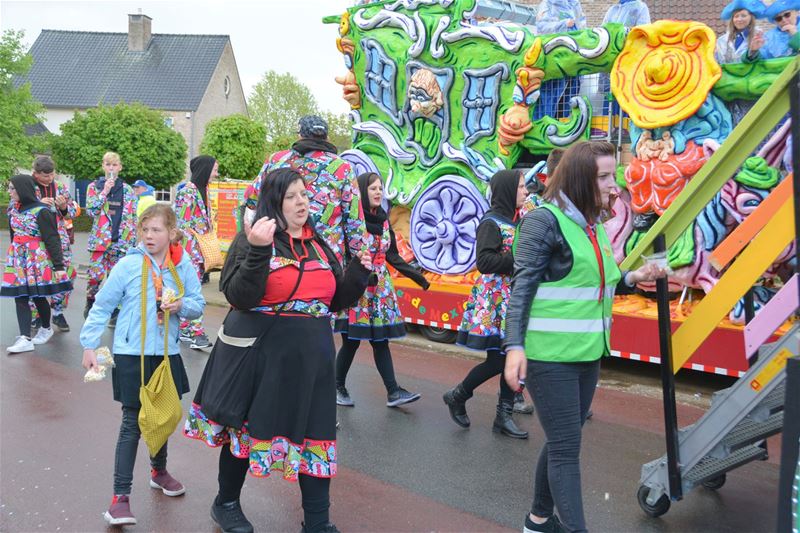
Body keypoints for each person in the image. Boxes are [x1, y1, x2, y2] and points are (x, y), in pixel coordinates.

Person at [184, 168, 371, 533]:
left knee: (317, 437)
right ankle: (226, 504)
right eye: (292, 196)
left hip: (312, 363)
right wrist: (257, 250)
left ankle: (318, 522)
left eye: (304, 194)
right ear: (274, 201)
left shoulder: (319, 242)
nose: (302, 201)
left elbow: (332, 302)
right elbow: (238, 295)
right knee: (245, 432)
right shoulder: (253, 238)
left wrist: (358, 275)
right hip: (261, 357)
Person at [503, 141, 664, 533]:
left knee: (563, 438)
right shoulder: (545, 221)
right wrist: (514, 346)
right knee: (565, 448)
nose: (615, 185)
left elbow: (597, 281)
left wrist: (632, 278)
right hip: (549, 355)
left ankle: (539, 520)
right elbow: (521, 287)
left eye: (614, 175)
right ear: (579, 179)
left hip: (586, 353)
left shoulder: (590, 225)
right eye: (605, 177)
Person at [80, 204, 204, 526]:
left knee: (161, 414)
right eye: (144, 230)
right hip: (130, 353)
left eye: (156, 230)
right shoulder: (128, 265)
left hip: (166, 353)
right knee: (132, 422)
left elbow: (197, 305)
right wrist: (89, 345)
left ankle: (158, 471)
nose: (149, 236)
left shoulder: (183, 264)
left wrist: (179, 305)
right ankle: (120, 498)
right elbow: (102, 305)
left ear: (172, 233)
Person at [443, 170, 530, 439]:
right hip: (495, 301)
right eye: (521, 187)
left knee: (506, 359)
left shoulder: (518, 221)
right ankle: (459, 395)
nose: (526, 192)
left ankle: (501, 416)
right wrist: (518, 258)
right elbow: (484, 262)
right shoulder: (491, 222)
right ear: (506, 190)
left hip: (513, 298)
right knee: (499, 361)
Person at [334, 172, 429, 409]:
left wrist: (417, 276)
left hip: (380, 289)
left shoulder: (384, 220)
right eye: (373, 188)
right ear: (362, 192)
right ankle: (337, 387)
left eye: (380, 188)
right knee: (351, 341)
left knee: (380, 340)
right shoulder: (353, 221)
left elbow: (392, 255)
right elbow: (342, 252)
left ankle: (393, 392)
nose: (378, 192)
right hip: (357, 287)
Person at [245, 115, 366, 265]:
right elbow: (354, 219)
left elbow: (251, 199)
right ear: (327, 137)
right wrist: (359, 262)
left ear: (300, 135)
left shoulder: (276, 160)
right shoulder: (342, 167)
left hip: (280, 253)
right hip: (326, 258)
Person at [2, 175, 72, 353]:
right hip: (18, 257)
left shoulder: (42, 211)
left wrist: (58, 266)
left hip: (36, 258)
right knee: (21, 296)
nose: (9, 192)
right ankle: (25, 337)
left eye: (12, 188)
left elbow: (52, 239)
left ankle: (46, 328)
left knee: (39, 295)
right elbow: (13, 235)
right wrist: (14, 254)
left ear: (23, 189)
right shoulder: (13, 210)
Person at [84, 152, 138, 321]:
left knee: (117, 278)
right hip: (100, 240)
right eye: (108, 165)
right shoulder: (94, 187)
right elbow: (91, 211)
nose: (111, 168)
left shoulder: (128, 190)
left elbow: (132, 216)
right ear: (103, 166)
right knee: (95, 276)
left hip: (120, 241)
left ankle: (115, 309)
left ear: (120, 167)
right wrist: (104, 191)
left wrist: (132, 240)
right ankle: (91, 299)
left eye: (114, 165)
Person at [173, 155, 219, 350]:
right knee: (193, 290)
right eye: (215, 169)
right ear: (206, 169)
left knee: (192, 289)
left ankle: (186, 328)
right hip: (190, 249)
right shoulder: (188, 191)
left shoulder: (205, 191)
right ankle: (194, 331)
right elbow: (181, 223)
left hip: (199, 249)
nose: (217, 173)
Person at [29, 155, 77, 332]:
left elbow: (71, 212)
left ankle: (57, 311)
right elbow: (16, 209)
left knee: (67, 274)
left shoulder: (60, 187)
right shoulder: (28, 186)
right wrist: (36, 204)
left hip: (59, 239)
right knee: (36, 276)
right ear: (35, 173)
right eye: (45, 176)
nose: (49, 179)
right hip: (37, 240)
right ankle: (36, 315)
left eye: (52, 175)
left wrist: (64, 207)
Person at [535, 0, 586, 120]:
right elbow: (542, 27)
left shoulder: (573, 4)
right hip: (554, 57)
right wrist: (563, 24)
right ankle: (545, 122)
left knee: (570, 92)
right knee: (551, 92)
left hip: (573, 57)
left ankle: (563, 123)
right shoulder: (547, 5)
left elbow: (582, 26)